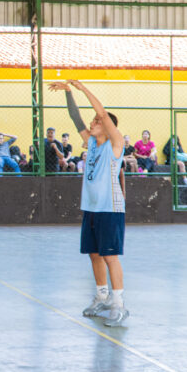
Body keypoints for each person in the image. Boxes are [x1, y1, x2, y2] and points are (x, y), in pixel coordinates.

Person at [50, 80, 129, 326]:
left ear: (108, 127)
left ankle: (119, 304)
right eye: (93, 121)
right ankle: (102, 296)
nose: (93, 123)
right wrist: (69, 93)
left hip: (110, 208)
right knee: (94, 254)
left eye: (97, 121)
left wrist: (83, 88)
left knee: (110, 256)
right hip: (92, 208)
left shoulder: (115, 144)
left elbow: (103, 114)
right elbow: (76, 119)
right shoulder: (93, 143)